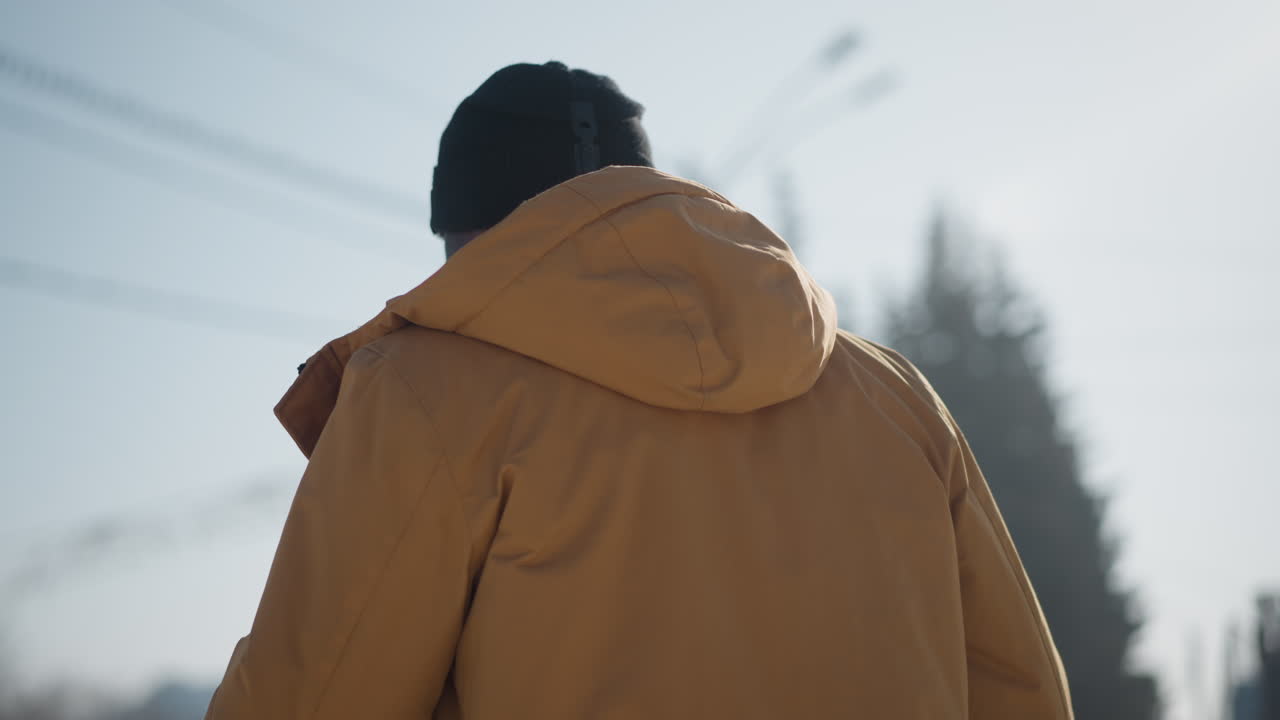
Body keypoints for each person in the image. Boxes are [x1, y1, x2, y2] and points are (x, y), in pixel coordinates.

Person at [204, 61, 1073, 719]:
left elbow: (313, 695)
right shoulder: (896, 399)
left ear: (469, 236)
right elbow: (1020, 688)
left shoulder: (425, 391)